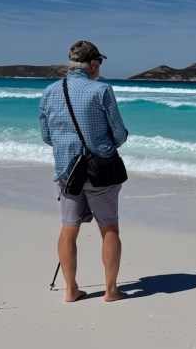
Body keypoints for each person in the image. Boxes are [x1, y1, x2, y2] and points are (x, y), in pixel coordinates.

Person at [39, 40, 129, 303]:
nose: (99, 67)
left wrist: (68, 148)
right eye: (98, 62)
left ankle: (70, 290)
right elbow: (119, 134)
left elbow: (46, 136)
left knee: (69, 228)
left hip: (67, 171)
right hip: (100, 170)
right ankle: (111, 291)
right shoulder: (102, 90)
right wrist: (105, 144)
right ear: (91, 64)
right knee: (109, 228)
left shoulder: (50, 91)